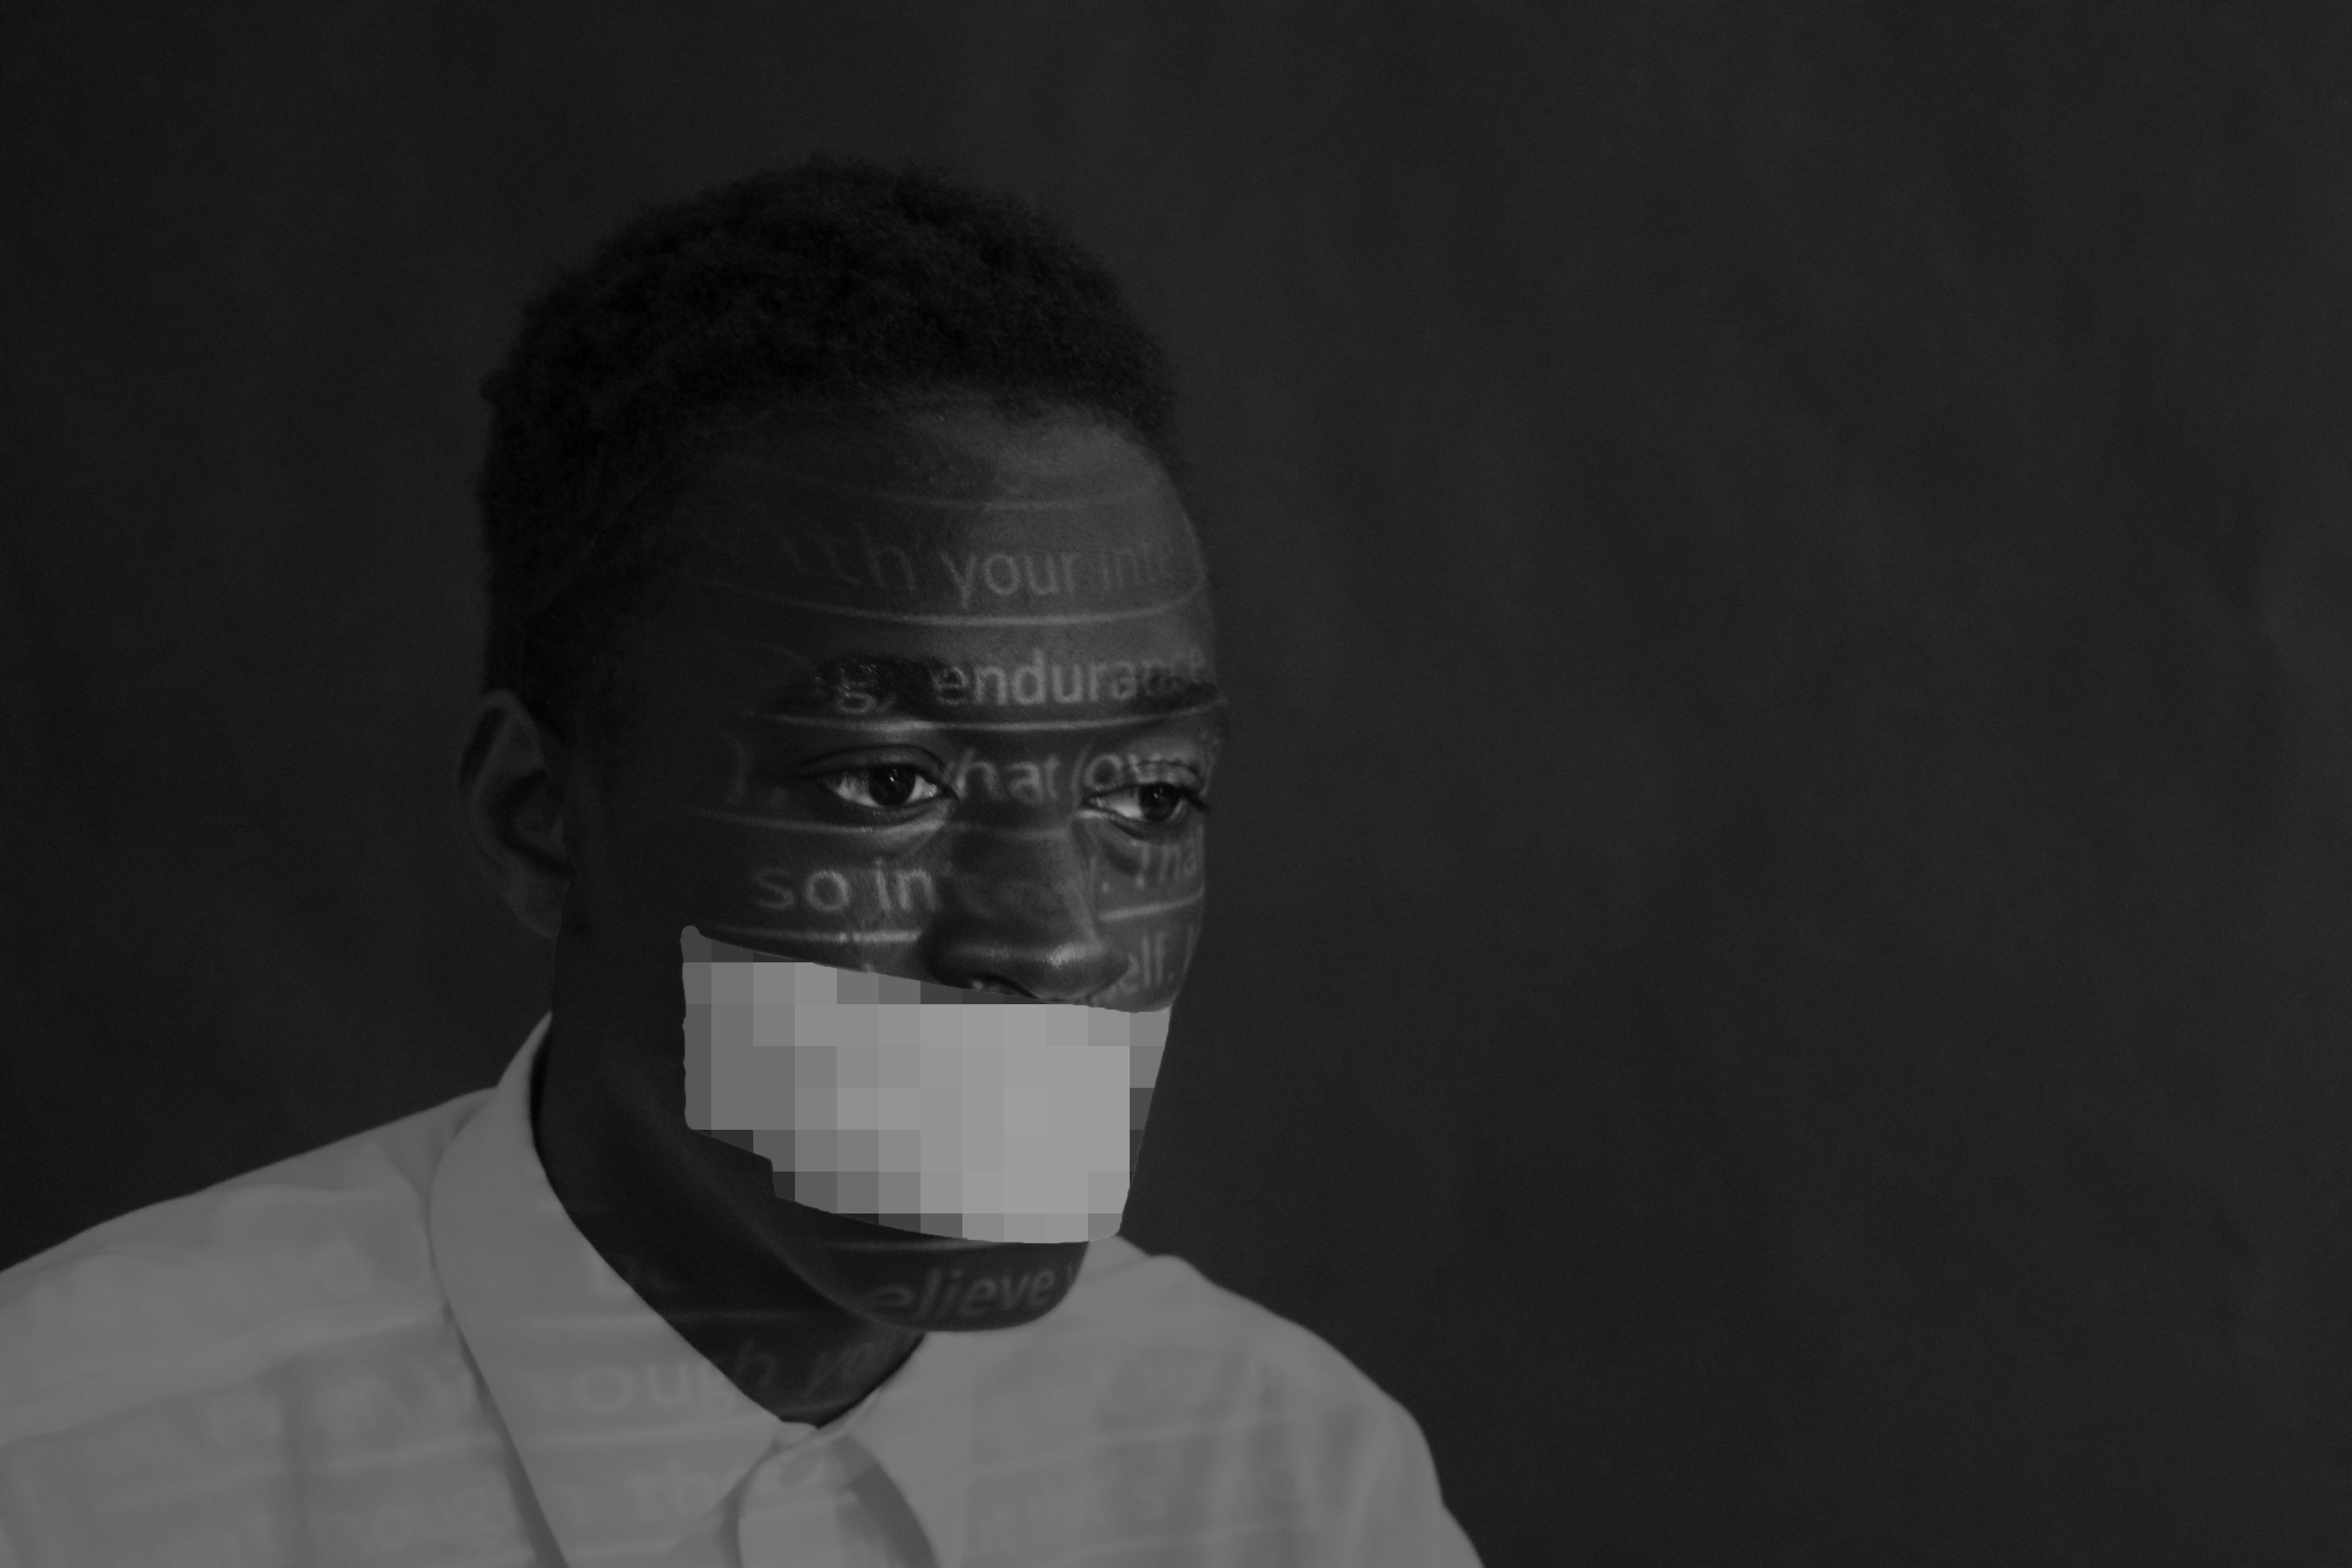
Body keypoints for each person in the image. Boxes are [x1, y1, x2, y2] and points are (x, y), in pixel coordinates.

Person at [0, 156, 1482, 1567]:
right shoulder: (69, 1475)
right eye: (887, 782)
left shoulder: (1292, 1487)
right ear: (538, 819)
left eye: (1149, 797)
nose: (1058, 944)